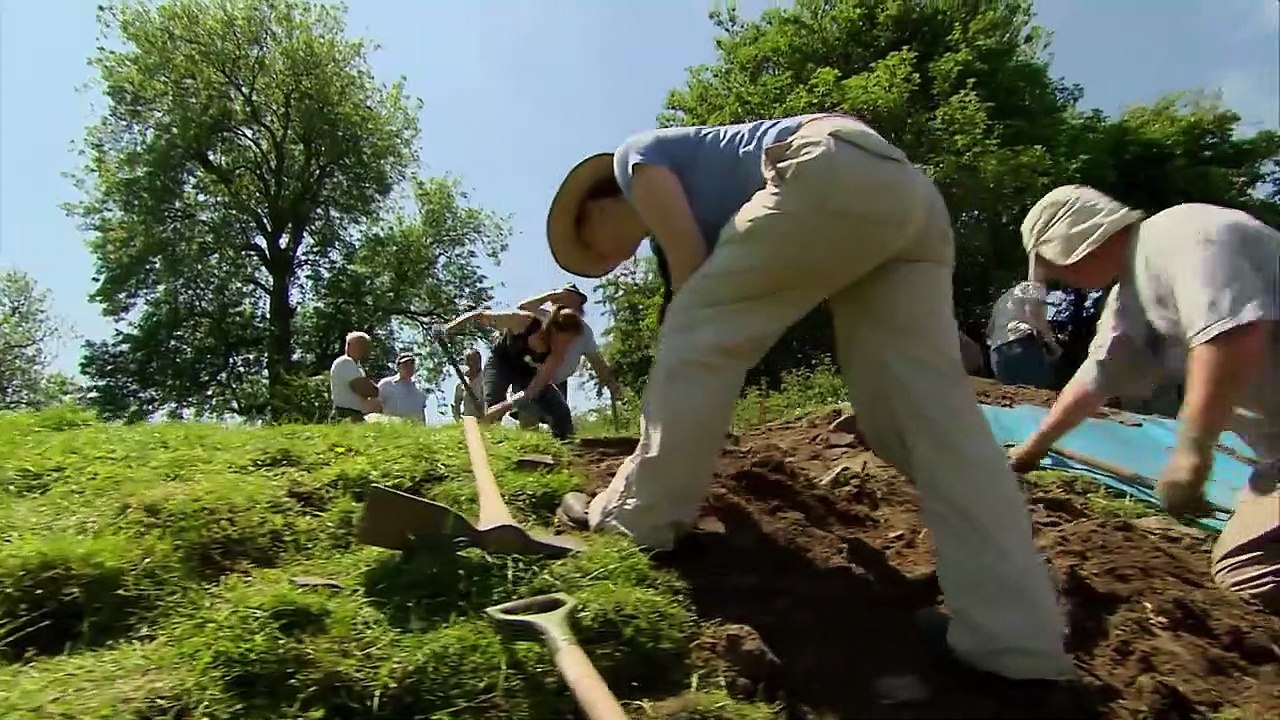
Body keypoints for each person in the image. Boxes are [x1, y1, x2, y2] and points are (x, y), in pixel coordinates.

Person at [543, 114, 1077, 688]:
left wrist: (687, 324)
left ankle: (635, 518)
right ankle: (1014, 641)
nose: (613, 263)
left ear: (594, 207)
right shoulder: (708, 179)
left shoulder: (635, 158)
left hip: (828, 165)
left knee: (696, 334)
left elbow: (692, 274)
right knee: (923, 421)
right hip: (906, 197)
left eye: (594, 249)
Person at [1008, 185, 1279, 612]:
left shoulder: (1188, 234)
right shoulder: (1130, 295)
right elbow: (1096, 377)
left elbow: (1233, 337)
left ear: (1076, 243)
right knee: (1243, 572)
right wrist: (1031, 449)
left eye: (1053, 264)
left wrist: (1192, 453)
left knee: (1245, 576)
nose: (1058, 277)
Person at [443, 305, 586, 439]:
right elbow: (478, 315)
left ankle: (567, 445)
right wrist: (447, 328)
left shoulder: (558, 354)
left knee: (560, 411)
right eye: (565, 339)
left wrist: (505, 406)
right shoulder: (524, 321)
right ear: (553, 330)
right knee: (493, 401)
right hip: (501, 362)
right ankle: (488, 440)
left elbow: (533, 389)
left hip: (527, 372)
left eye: (571, 341)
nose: (567, 345)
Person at [517, 283, 624, 410]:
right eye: (565, 298)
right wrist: (550, 295)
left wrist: (613, 387)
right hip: (532, 375)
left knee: (561, 423)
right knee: (529, 413)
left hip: (558, 381)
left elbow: (597, 362)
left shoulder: (584, 332)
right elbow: (523, 308)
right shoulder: (544, 316)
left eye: (575, 300)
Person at [986, 281, 1062, 388]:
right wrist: (1052, 344)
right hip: (1021, 346)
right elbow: (1033, 315)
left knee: (1012, 398)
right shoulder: (1033, 287)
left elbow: (989, 332)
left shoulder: (1003, 299)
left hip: (997, 353)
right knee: (1039, 393)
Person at [329, 331, 381, 422]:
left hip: (355, 414)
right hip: (345, 414)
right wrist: (372, 388)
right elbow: (364, 389)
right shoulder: (345, 362)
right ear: (354, 346)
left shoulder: (357, 366)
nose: (369, 349)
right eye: (365, 346)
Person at [377, 353, 428, 423]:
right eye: (406, 365)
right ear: (398, 367)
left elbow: (422, 412)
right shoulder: (386, 384)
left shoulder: (420, 388)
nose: (409, 367)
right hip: (392, 428)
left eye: (412, 364)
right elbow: (376, 405)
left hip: (415, 430)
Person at [451, 349, 486, 420]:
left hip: (486, 420)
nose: (472, 363)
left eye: (475, 361)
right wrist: (458, 419)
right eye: (469, 360)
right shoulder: (461, 384)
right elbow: (456, 404)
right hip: (469, 422)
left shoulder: (486, 379)